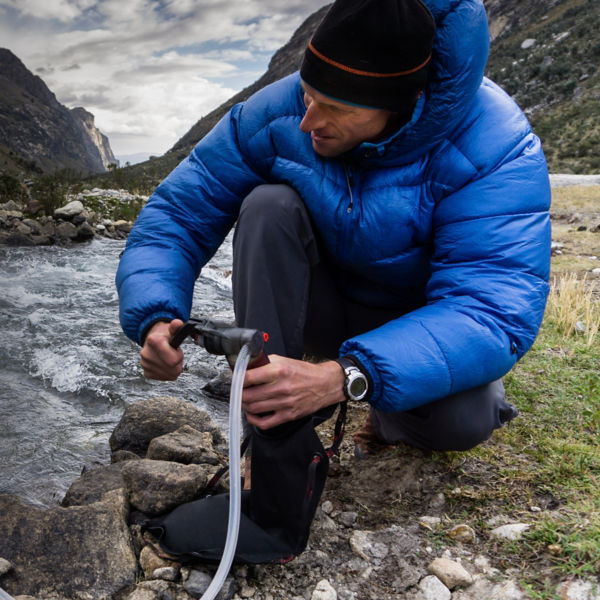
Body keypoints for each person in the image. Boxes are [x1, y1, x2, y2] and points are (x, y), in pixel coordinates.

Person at [116, 0, 551, 457]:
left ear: (404, 104)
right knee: (266, 205)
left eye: (336, 109)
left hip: (412, 320)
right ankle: (271, 431)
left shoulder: (494, 144)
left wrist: (347, 376)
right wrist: (156, 314)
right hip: (316, 305)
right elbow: (179, 213)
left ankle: (378, 411)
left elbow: (490, 309)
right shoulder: (281, 111)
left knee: (463, 421)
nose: (307, 121)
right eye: (307, 94)